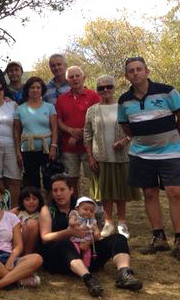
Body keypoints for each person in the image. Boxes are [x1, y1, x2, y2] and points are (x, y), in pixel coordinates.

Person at [39, 174, 142, 297]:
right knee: (65, 243)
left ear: (71, 190)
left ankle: (124, 274)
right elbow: (45, 238)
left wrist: (89, 241)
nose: (58, 194)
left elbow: (95, 232)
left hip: (87, 251)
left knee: (119, 238)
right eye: (55, 190)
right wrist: (69, 232)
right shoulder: (48, 210)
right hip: (61, 258)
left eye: (62, 189)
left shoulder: (84, 206)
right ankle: (88, 279)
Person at [118, 56, 180, 258]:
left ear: (147, 71)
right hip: (141, 154)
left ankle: (179, 240)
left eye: (139, 69)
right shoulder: (124, 100)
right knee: (150, 194)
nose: (135, 73)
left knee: (174, 192)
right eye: (131, 70)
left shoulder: (167, 91)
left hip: (171, 150)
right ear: (127, 76)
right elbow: (125, 125)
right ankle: (159, 237)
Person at [83, 74, 140, 238]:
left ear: (114, 88)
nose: (105, 90)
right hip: (100, 157)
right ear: (97, 90)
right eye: (101, 87)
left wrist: (125, 140)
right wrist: (90, 157)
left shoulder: (124, 107)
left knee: (121, 191)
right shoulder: (92, 110)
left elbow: (135, 129)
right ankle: (108, 223)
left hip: (122, 156)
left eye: (109, 86)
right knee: (106, 192)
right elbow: (87, 134)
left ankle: (122, 223)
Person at [0, 179, 43, 294]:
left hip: (9, 256)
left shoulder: (11, 217)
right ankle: (19, 279)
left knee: (37, 258)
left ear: (1, 196)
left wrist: (10, 260)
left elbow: (19, 245)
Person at [56, 66, 101, 196]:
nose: (75, 79)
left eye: (77, 76)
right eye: (71, 77)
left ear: (84, 77)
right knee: (71, 179)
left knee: (93, 177)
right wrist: (70, 130)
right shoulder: (62, 99)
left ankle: (96, 206)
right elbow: (59, 121)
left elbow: (97, 119)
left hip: (91, 147)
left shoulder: (94, 96)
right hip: (69, 147)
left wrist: (78, 135)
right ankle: (75, 205)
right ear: (67, 81)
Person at [13, 76, 59, 189]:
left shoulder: (49, 107)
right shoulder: (20, 109)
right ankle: (36, 205)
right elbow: (16, 131)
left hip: (46, 148)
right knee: (32, 181)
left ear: (42, 89)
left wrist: (53, 146)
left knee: (49, 180)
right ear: (27, 90)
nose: (35, 90)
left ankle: (49, 205)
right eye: (32, 87)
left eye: (38, 87)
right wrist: (18, 152)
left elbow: (54, 128)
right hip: (28, 149)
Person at [67, 197, 101, 268]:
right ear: (77, 208)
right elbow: (71, 221)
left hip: (86, 240)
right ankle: (77, 266)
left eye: (91, 211)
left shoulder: (91, 220)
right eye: (85, 209)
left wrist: (96, 230)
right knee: (76, 251)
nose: (88, 212)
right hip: (75, 239)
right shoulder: (75, 214)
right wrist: (73, 223)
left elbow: (95, 228)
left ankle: (86, 266)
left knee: (87, 253)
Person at [10, 186, 43, 255]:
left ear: (39, 200)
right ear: (22, 201)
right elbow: (4, 218)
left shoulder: (41, 214)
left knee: (32, 224)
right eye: (27, 200)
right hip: (15, 243)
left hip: (31, 245)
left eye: (34, 199)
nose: (31, 202)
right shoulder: (18, 211)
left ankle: (27, 256)